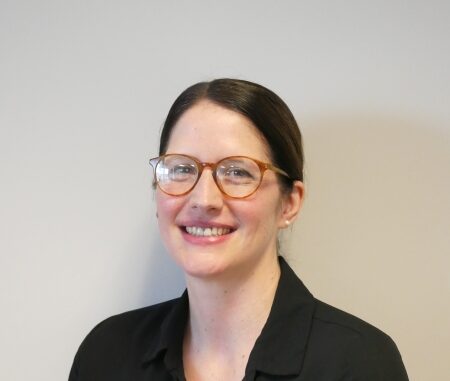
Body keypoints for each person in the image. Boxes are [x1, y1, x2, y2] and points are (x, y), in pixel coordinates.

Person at [69, 79, 409, 380]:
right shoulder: (107, 354)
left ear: (290, 203)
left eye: (237, 172)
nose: (204, 199)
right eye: (182, 169)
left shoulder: (359, 363)